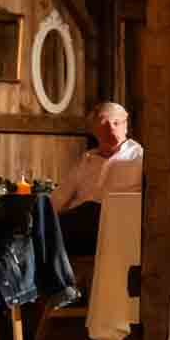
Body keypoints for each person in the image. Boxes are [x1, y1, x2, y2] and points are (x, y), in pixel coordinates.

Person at [50, 101, 143, 257]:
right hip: (78, 225)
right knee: (38, 228)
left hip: (115, 225)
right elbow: (58, 198)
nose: (111, 128)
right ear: (94, 130)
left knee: (92, 209)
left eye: (116, 122)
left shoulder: (137, 157)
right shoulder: (87, 160)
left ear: (126, 125)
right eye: (103, 123)